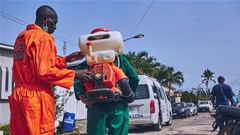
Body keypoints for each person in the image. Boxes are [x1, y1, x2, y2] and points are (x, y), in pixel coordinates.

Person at [8, 5, 93, 135]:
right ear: (45, 19)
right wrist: (75, 74)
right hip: (35, 98)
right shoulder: (43, 37)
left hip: (19, 96)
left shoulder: (23, 36)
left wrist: (66, 60)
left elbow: (35, 65)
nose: (55, 27)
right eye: (54, 22)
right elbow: (44, 72)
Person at [74, 28, 139, 135]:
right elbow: (134, 78)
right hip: (118, 105)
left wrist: (81, 95)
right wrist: (127, 95)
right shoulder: (120, 60)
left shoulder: (86, 63)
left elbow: (77, 79)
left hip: (95, 105)